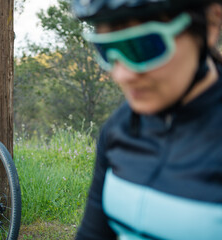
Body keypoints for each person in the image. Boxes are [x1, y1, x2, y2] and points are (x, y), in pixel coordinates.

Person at [71, 0, 222, 239]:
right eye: (106, 50)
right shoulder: (118, 127)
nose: (121, 74)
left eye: (146, 45)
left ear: (211, 25)